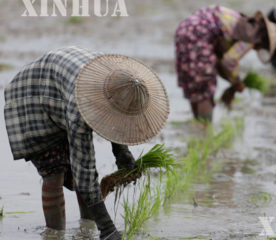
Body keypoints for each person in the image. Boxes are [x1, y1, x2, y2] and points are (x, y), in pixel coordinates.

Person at [3, 46, 170, 240]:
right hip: (32, 94)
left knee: (79, 176)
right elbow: (85, 172)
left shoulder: (118, 78)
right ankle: (54, 235)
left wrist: (121, 152)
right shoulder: (79, 111)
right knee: (54, 170)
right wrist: (108, 229)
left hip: (62, 82)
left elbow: (115, 118)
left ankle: (86, 230)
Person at [175, 5, 276, 121]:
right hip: (200, 34)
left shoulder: (242, 23)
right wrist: (237, 82)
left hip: (184, 29)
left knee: (194, 82)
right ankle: (204, 129)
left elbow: (220, 61)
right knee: (205, 87)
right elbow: (229, 61)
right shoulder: (251, 35)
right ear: (265, 42)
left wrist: (232, 82)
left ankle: (197, 124)